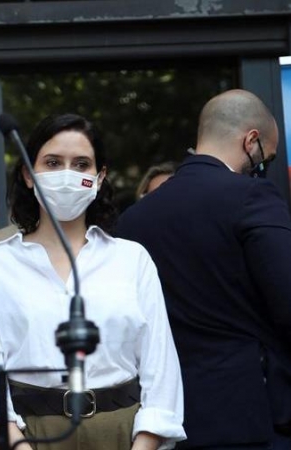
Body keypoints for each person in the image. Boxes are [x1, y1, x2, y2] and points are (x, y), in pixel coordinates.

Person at [0, 113, 186, 450]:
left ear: (99, 176)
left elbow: (160, 367)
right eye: (52, 163)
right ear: (27, 173)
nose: (67, 175)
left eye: (81, 164)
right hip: (28, 435)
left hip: (123, 431)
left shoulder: (131, 259)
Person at [117, 89, 291, 450]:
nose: (263, 168)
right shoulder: (253, 197)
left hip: (166, 416)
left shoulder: (133, 219)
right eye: (267, 159)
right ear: (251, 140)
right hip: (253, 414)